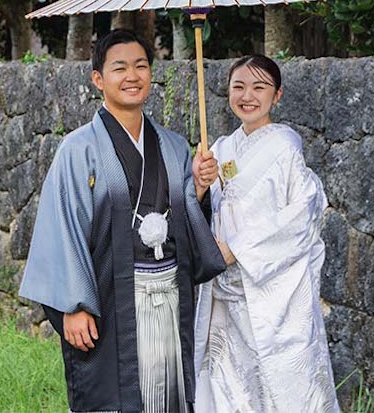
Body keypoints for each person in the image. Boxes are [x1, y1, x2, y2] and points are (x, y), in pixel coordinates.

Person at [19, 29, 226, 413]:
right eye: (120, 68)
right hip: (109, 299)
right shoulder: (77, 150)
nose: (132, 76)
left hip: (168, 297)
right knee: (113, 396)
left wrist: (197, 187)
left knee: (168, 394)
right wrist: (72, 305)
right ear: (98, 79)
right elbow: (62, 228)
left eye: (140, 66)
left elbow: (186, 224)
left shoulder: (174, 146)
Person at [192, 55, 340, 413]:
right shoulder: (221, 149)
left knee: (280, 383)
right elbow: (207, 210)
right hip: (225, 289)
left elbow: (301, 216)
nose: (248, 96)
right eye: (239, 87)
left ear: (277, 95)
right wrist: (199, 185)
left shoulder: (285, 148)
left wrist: (237, 249)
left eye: (259, 87)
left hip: (273, 288)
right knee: (227, 381)